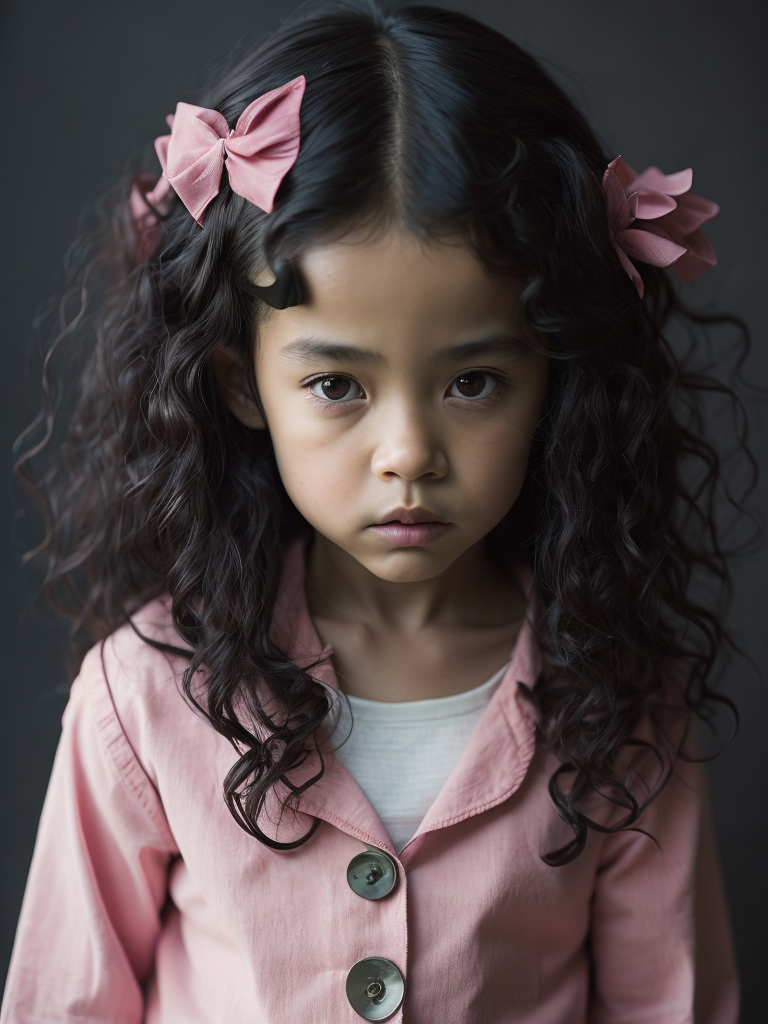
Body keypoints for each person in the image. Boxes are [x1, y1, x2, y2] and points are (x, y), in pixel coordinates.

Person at [2, 0, 754, 1020]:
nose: (409, 455)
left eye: (475, 382)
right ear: (236, 382)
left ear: (556, 380)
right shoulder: (147, 695)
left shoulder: (622, 701)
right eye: (338, 386)